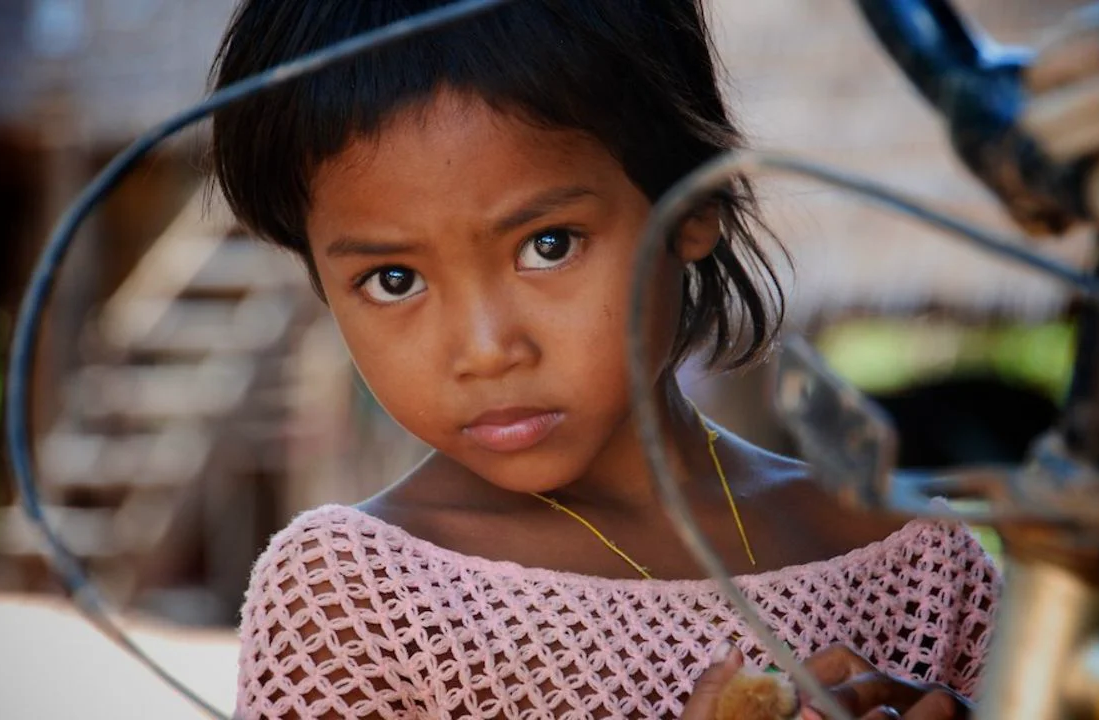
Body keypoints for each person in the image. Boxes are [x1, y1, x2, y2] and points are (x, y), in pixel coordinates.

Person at [209, 1, 1000, 717]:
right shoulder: (357, 601)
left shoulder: (914, 564)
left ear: (694, 206)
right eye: (393, 279)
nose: (486, 350)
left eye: (547, 246)